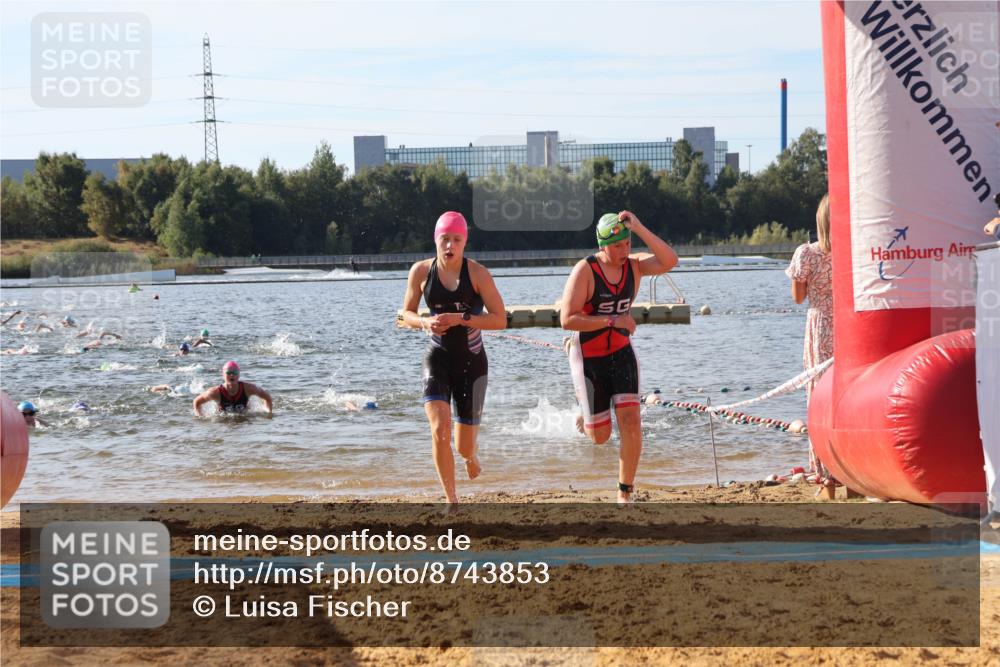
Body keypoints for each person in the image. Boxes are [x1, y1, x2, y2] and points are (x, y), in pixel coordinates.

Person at [560, 211, 679, 504]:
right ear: (602, 246)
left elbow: (669, 261)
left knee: (630, 421)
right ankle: (584, 408)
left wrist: (638, 227)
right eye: (617, 246)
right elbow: (567, 319)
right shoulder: (585, 270)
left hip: (621, 353)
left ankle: (624, 491)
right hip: (588, 355)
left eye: (627, 243)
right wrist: (613, 320)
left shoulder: (635, 266)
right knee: (599, 437)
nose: (624, 251)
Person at [400, 211, 507, 505]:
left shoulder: (478, 275)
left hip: (473, 362)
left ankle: (470, 456)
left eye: (456, 240)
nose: (450, 246)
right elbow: (404, 314)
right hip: (437, 358)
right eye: (444, 239)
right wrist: (424, 322)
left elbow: (500, 320)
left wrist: (461, 318)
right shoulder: (421, 272)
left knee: (462, 446)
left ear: (464, 243)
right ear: (436, 240)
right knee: (439, 429)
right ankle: (452, 500)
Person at [786, 194, 834, 472]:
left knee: (818, 395)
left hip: (820, 326)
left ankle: (823, 471)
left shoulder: (806, 253)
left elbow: (798, 297)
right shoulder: (852, 249)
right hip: (847, 324)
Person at [193, 361, 273, 416]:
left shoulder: (249, 388)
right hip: (223, 421)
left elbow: (267, 397)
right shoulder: (215, 392)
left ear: (238, 375)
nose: (232, 375)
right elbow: (196, 402)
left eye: (235, 373)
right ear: (223, 375)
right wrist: (200, 416)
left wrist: (268, 412)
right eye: (228, 373)